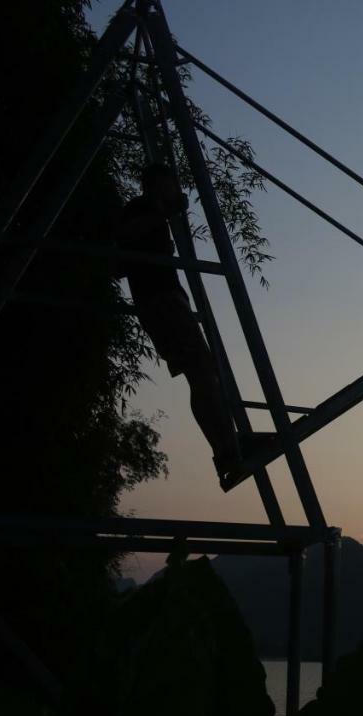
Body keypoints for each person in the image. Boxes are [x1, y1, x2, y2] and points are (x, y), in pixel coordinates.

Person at [115, 163, 240, 481]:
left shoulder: (150, 213)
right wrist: (166, 214)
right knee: (200, 372)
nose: (176, 190)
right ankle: (225, 447)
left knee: (203, 374)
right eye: (171, 184)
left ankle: (226, 445)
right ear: (158, 185)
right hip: (162, 302)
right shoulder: (141, 208)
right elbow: (125, 240)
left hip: (167, 300)